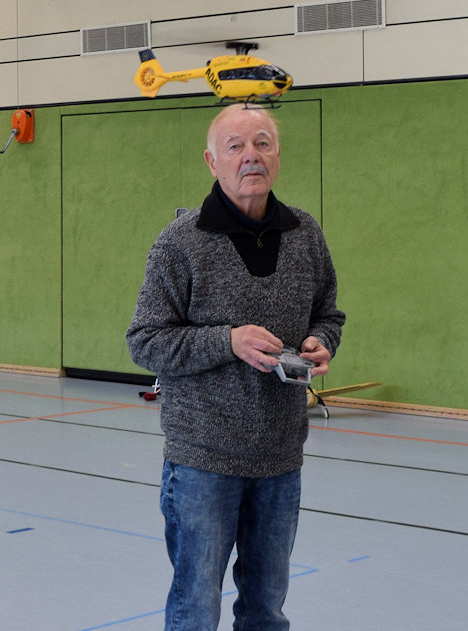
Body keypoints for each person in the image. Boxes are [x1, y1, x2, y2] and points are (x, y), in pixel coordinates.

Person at [126, 104, 345, 631]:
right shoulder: (178, 244)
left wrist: (321, 341)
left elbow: (328, 314)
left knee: (266, 608)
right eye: (236, 146)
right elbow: (145, 341)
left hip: (280, 458)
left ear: (277, 156)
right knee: (197, 605)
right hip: (203, 461)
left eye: (263, 143)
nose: (252, 156)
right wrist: (229, 341)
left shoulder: (306, 234)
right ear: (212, 161)